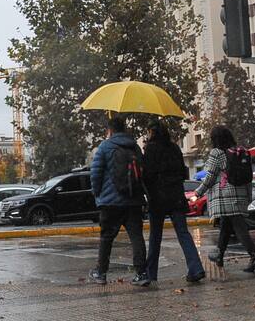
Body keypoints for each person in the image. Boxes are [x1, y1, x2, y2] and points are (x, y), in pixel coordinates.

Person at [88, 115, 149, 286]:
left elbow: (96, 173)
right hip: (134, 201)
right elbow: (142, 172)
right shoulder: (135, 147)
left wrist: (97, 194)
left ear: (110, 130)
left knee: (107, 237)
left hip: (110, 202)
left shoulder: (105, 147)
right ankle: (141, 273)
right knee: (136, 237)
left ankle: (101, 273)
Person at [143, 120, 205, 283]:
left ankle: (151, 273)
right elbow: (182, 172)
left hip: (158, 198)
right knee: (183, 233)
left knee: (155, 236)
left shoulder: (150, 149)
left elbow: (147, 175)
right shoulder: (174, 148)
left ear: (153, 132)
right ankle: (196, 268)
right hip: (176, 196)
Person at [193, 125, 255, 273]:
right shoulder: (237, 152)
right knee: (226, 224)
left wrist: (198, 193)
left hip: (226, 196)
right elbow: (248, 178)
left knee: (239, 227)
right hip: (240, 194)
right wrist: (248, 197)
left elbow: (210, 176)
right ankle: (219, 255)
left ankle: (254, 257)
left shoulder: (216, 153)